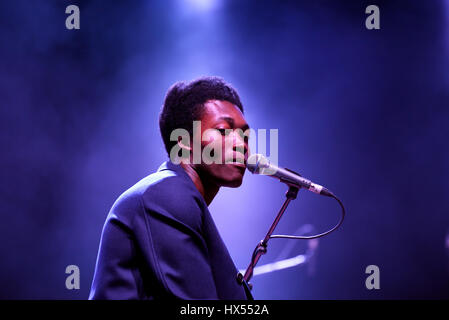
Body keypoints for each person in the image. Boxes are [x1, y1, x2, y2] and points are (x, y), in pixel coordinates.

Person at [89, 76, 253, 299]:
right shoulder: (167, 194)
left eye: (245, 135)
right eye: (223, 130)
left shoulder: (176, 198)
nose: (241, 144)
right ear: (183, 141)